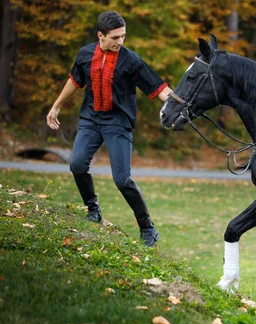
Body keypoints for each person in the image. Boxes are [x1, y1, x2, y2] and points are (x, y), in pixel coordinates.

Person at [46, 11, 172, 247]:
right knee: (77, 164)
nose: (120, 42)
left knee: (123, 180)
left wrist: (181, 106)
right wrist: (56, 107)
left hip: (118, 123)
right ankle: (93, 210)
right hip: (90, 120)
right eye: (115, 37)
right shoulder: (85, 54)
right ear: (100, 36)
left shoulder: (131, 60)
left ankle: (148, 228)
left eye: (123, 36)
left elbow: (159, 88)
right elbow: (74, 81)